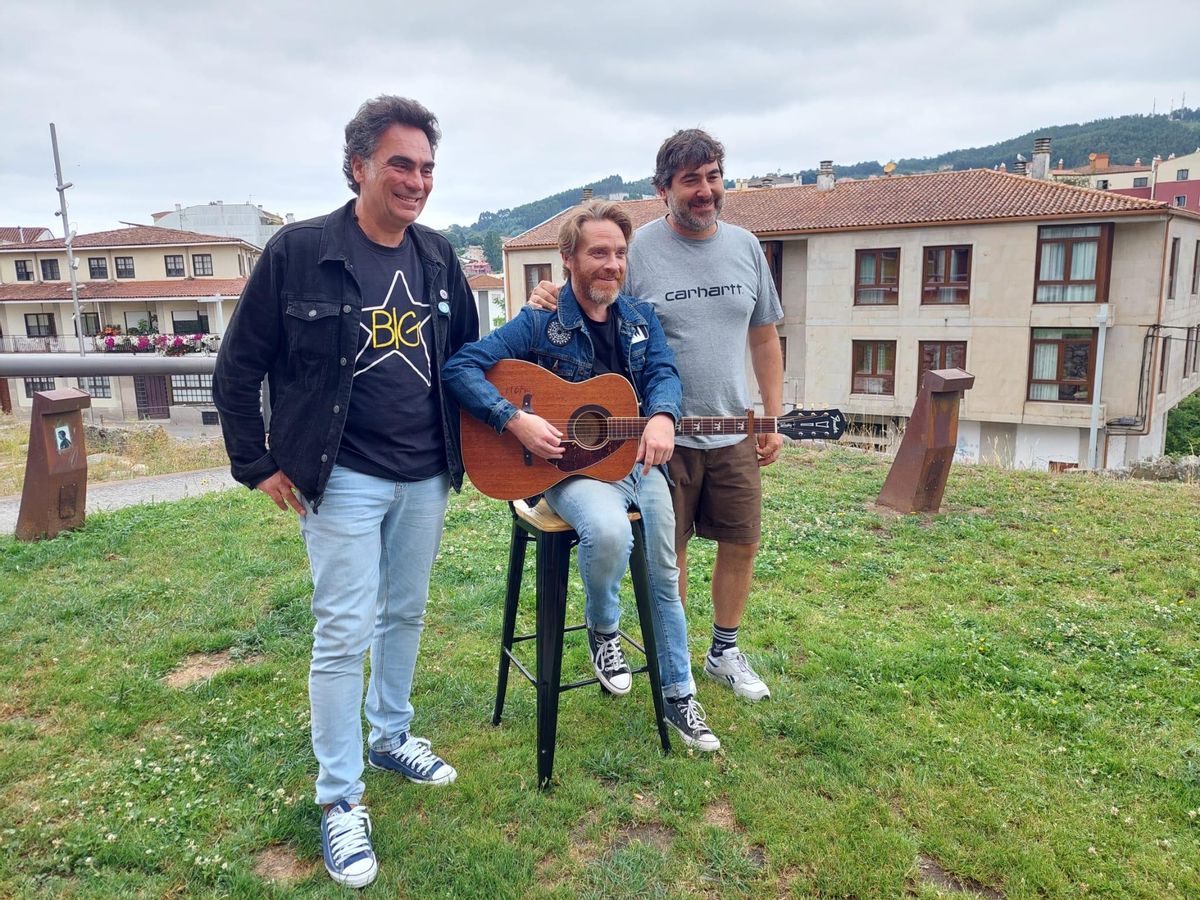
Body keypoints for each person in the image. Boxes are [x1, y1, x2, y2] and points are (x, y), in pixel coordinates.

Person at [213, 95, 478, 889]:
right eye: (402, 163)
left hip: (427, 472)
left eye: (427, 167)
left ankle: (390, 733)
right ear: (359, 164)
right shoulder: (298, 252)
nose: (417, 180)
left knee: (405, 612)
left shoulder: (438, 259)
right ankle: (339, 801)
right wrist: (256, 463)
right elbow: (238, 368)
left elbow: (467, 360)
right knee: (341, 631)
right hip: (344, 479)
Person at [443, 199, 720, 752]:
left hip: (637, 464)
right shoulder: (541, 320)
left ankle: (679, 693)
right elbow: (460, 367)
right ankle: (603, 628)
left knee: (665, 575)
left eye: (619, 253)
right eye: (598, 252)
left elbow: (664, 372)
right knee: (612, 532)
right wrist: (515, 420)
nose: (611, 264)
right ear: (568, 259)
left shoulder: (641, 320)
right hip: (567, 471)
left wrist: (662, 415)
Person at [531, 130, 784, 702]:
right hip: (650, 436)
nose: (705, 191)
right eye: (690, 180)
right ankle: (674, 657)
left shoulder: (747, 247)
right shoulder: (636, 248)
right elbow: (594, 295)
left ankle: (723, 651)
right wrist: (549, 297)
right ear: (663, 188)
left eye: (713, 176)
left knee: (741, 541)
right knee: (673, 555)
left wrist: (771, 414)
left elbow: (765, 337)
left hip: (730, 426)